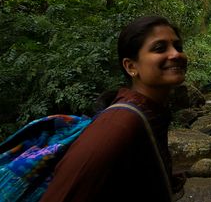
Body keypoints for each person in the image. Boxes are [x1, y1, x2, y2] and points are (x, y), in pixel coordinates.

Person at [40, 16, 188, 202]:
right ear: (131, 66)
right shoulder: (119, 124)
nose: (176, 54)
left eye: (178, 47)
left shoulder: (152, 113)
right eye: (159, 48)